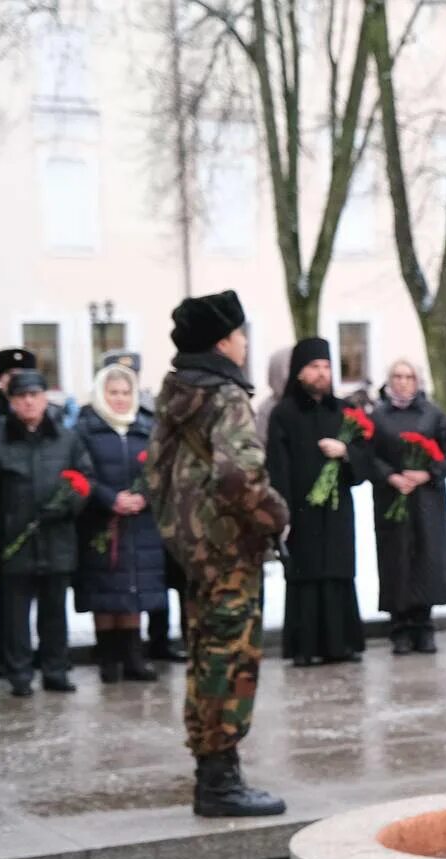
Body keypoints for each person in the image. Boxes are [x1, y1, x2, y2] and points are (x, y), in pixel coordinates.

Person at [149, 289, 290, 817]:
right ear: (222, 341)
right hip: (229, 550)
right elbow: (238, 475)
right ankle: (219, 783)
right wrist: (276, 514)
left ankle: (212, 771)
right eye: (240, 334)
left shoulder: (179, 393)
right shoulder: (226, 396)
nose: (245, 343)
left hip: (194, 548)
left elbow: (158, 475)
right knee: (231, 659)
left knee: (206, 653)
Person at [0, 370, 94, 697]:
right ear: (12, 402)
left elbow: (84, 479)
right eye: (21, 396)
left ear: (45, 398)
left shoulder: (67, 439)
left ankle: (55, 670)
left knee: (54, 611)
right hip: (16, 542)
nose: (29, 401)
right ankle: (19, 674)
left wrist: (66, 505)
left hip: (56, 539)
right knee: (16, 616)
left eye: (34, 395)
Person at [266, 338, 370, 666]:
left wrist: (346, 454)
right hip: (300, 509)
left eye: (326, 367)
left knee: (338, 572)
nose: (322, 373)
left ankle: (342, 644)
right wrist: (282, 512)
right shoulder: (283, 414)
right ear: (298, 372)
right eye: (314, 367)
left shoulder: (343, 411)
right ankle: (305, 646)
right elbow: (276, 466)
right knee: (305, 574)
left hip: (338, 511)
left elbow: (365, 459)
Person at [74, 363, 165, 683]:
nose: (120, 399)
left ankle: (133, 657)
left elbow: (158, 469)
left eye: (126, 392)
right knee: (105, 588)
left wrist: (143, 496)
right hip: (102, 519)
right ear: (102, 393)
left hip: (139, 521)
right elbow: (81, 473)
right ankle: (108, 657)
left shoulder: (146, 427)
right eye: (113, 392)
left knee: (134, 587)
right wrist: (110, 498)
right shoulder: (86, 428)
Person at [369, 360, 446, 655]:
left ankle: (424, 626)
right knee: (396, 559)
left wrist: (429, 473)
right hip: (392, 498)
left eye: (409, 376)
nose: (403, 382)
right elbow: (368, 453)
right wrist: (390, 476)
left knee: (426, 558)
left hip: (426, 500)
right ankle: (399, 627)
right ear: (389, 381)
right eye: (397, 376)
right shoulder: (379, 416)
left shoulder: (431, 414)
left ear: (417, 381)